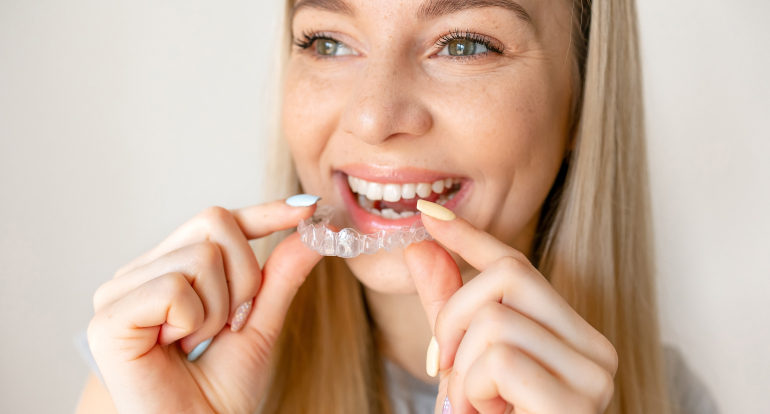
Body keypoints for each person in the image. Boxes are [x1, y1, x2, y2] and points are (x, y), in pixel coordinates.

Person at [76, 0, 720, 413]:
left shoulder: (671, 400)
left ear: (583, 98)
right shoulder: (156, 373)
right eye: (327, 40)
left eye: (464, 43)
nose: (373, 115)